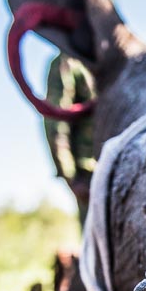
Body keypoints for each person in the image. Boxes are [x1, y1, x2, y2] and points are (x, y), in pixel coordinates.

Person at [44, 52, 96, 223]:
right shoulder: (68, 63)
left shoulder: (107, 60)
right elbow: (56, 122)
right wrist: (72, 177)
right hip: (89, 177)